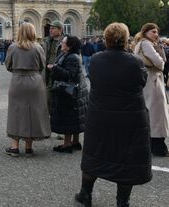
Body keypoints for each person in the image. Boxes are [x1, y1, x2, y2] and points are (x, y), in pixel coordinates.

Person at [76, 23, 151, 207]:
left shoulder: (95, 60)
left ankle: (86, 194)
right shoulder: (135, 62)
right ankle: (122, 201)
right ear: (126, 40)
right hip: (129, 117)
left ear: (106, 39)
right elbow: (142, 82)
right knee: (127, 158)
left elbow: (94, 79)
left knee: (95, 153)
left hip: (101, 115)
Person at [5, 22, 50, 156]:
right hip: (34, 81)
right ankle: (29, 147)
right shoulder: (38, 48)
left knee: (16, 111)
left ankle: (14, 147)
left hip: (18, 80)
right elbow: (42, 65)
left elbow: (8, 65)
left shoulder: (13, 47)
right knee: (33, 112)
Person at [48, 35, 88, 153]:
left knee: (68, 118)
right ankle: (75, 142)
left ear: (69, 46)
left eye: (64, 42)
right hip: (75, 92)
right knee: (75, 118)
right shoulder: (71, 55)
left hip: (70, 93)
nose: (61, 44)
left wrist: (54, 68)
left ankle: (67, 145)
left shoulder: (72, 58)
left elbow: (69, 74)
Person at [134, 23, 169, 156]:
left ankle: (151, 146)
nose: (156, 34)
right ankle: (159, 148)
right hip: (153, 80)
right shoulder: (146, 44)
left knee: (151, 114)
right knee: (157, 116)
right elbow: (160, 63)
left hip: (148, 81)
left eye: (157, 32)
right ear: (146, 32)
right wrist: (160, 53)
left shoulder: (140, 43)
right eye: (153, 32)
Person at [43, 20, 64, 111]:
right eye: (50, 28)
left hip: (60, 72)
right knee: (47, 98)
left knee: (60, 98)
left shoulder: (66, 41)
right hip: (48, 73)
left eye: (53, 28)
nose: (50, 30)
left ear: (60, 30)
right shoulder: (47, 40)